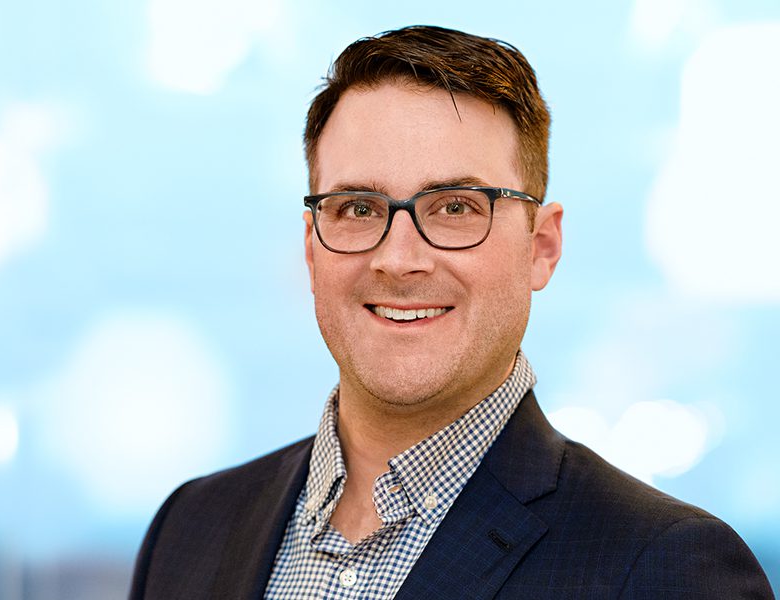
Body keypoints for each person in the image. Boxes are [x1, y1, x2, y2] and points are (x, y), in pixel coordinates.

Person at [128, 25, 775, 599]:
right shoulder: (190, 528)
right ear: (311, 246)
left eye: (456, 207)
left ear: (541, 248)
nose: (399, 259)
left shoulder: (666, 568)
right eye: (357, 209)